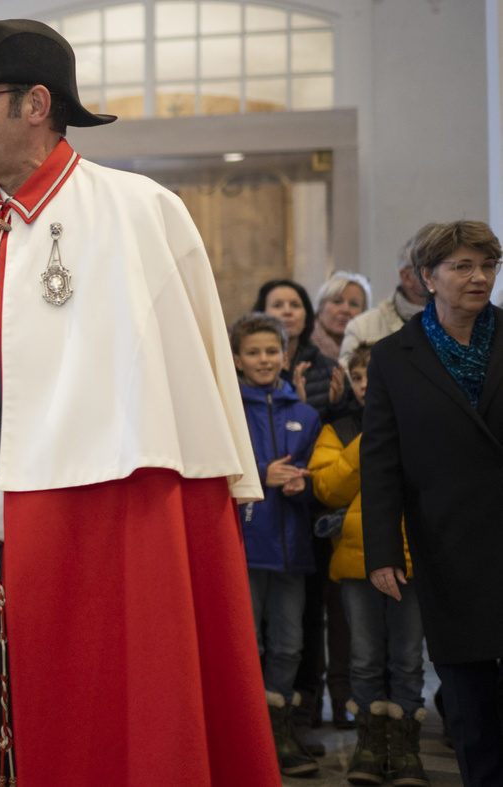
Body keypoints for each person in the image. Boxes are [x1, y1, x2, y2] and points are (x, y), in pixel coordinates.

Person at [0, 18, 277, 787]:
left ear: (36, 103)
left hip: (102, 543)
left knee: (98, 730)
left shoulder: (140, 214)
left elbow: (174, 400)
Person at [362, 220, 503, 787]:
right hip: (447, 545)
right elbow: (380, 461)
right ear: (428, 277)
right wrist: (381, 550)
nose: (479, 278)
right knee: (469, 706)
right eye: (463, 267)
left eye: (487, 266)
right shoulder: (395, 356)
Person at [309, 342, 427, 786]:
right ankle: (370, 745)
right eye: (359, 378)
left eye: (374, 376)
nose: (367, 385)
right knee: (363, 657)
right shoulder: (338, 430)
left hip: (410, 560)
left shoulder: (418, 425)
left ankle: (406, 748)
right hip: (357, 564)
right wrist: (368, 440)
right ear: (352, 384)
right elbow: (327, 489)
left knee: (408, 657)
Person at [231, 312, 323, 776]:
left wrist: (302, 485)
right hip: (245, 547)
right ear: (236, 359)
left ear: (285, 356)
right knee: (247, 641)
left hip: (292, 550)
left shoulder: (305, 415)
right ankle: (244, 733)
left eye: (272, 351)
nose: (264, 360)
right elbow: (218, 479)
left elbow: (320, 480)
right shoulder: (227, 413)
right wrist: (260, 476)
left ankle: (279, 731)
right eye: (254, 352)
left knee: (289, 644)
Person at [253, 278, 344, 415]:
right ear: (261, 314)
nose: (287, 311)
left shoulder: (329, 370)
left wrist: (336, 403)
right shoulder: (248, 369)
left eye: (295, 305)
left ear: (306, 316)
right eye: (277, 305)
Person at [339, 236, 427, 369]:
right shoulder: (361, 328)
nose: (440, 274)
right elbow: (350, 383)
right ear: (407, 277)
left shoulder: (458, 322)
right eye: (429, 268)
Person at [312, 270, 371, 362]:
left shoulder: (374, 352)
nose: (345, 310)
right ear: (320, 308)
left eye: (354, 304)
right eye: (337, 302)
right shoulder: (303, 346)